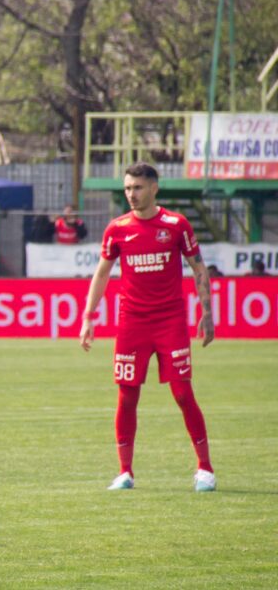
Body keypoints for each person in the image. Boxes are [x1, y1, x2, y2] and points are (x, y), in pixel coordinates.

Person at [79, 162, 216, 492]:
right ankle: (125, 472)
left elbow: (199, 268)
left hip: (170, 322)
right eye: (127, 188)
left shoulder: (175, 225)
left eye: (137, 188)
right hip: (132, 324)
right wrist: (87, 316)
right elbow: (101, 273)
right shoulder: (117, 229)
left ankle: (205, 469)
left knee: (183, 393)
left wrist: (207, 312)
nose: (131, 194)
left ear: (154, 187)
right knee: (127, 398)